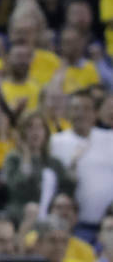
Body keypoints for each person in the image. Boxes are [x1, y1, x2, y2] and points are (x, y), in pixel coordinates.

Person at [49, 90, 113, 241]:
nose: (81, 114)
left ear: (95, 113)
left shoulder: (110, 139)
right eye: (76, 109)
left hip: (107, 224)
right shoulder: (56, 142)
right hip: (70, 226)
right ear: (68, 112)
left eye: (86, 109)